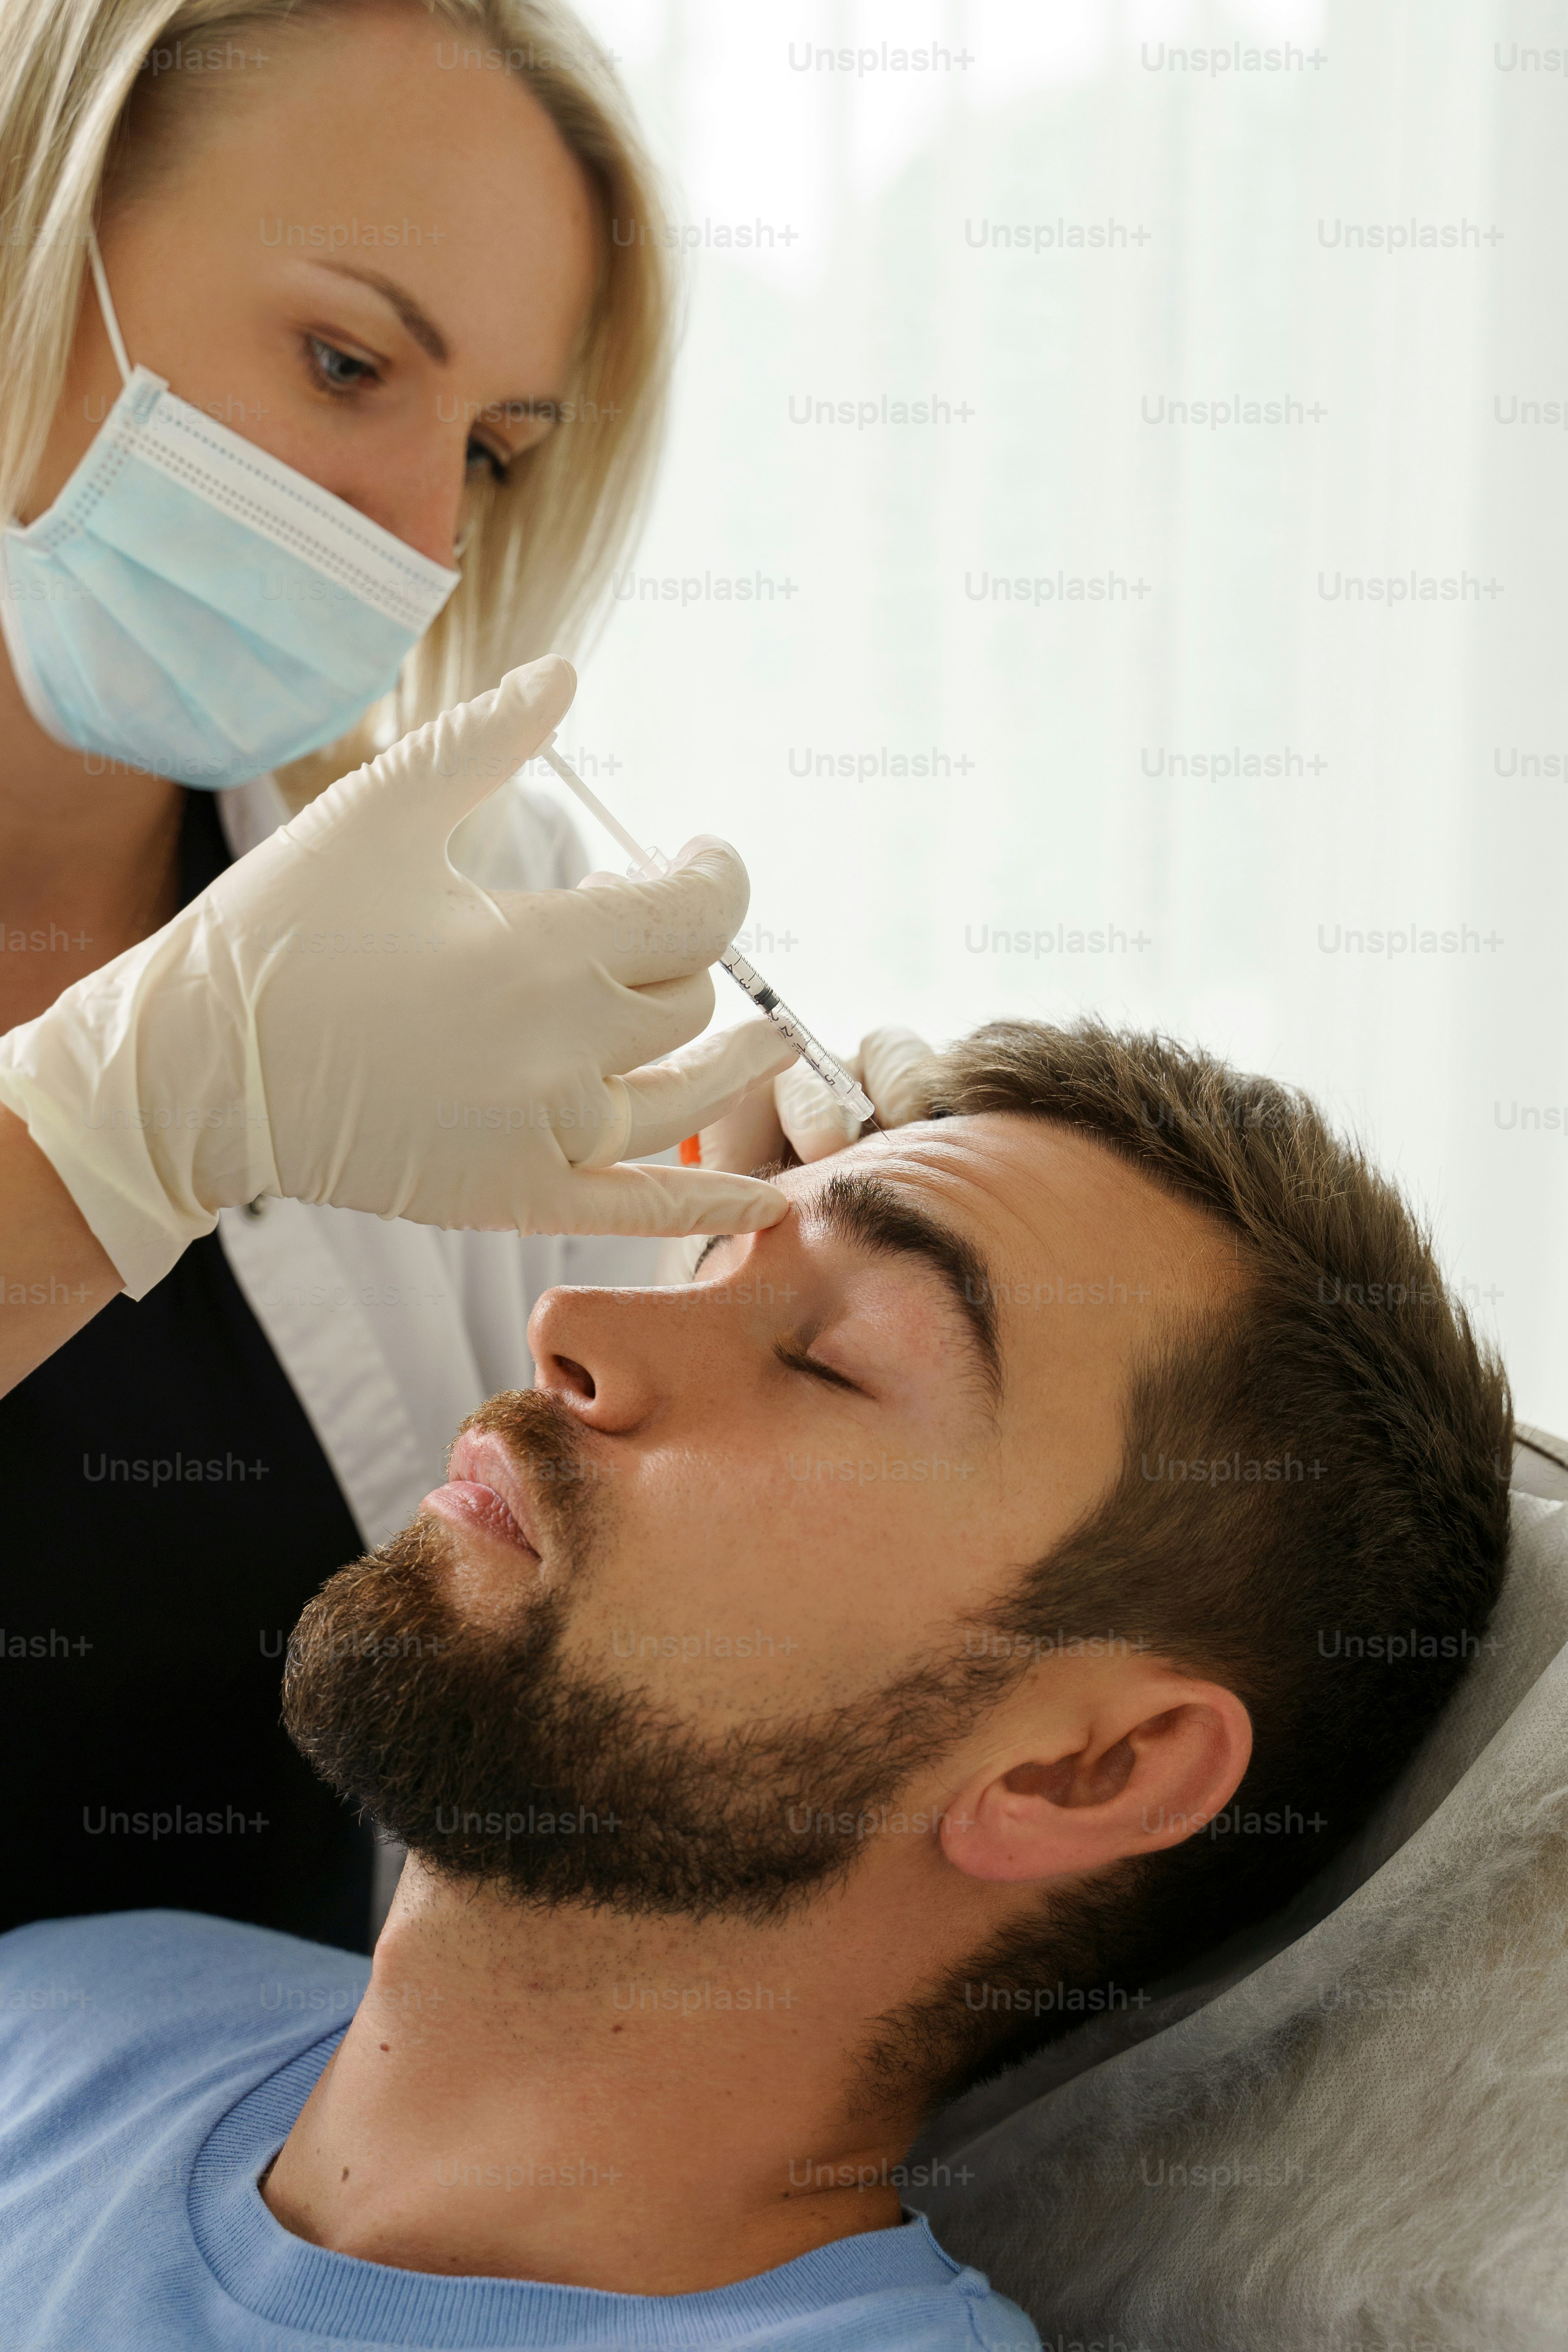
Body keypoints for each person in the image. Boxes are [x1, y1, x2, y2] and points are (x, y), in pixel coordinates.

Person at [0, 1018, 1512, 2344]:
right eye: (710, 1256)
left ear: (1086, 1768)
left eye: (829, 1361)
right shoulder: (68, 2004)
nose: (570, 1326)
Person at [0, 0, 904, 1947]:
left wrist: (784, 1250)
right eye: (345, 361)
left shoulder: (458, 919)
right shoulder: (266, 1030)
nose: (417, 535)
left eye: (493, 452)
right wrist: (109, 1135)